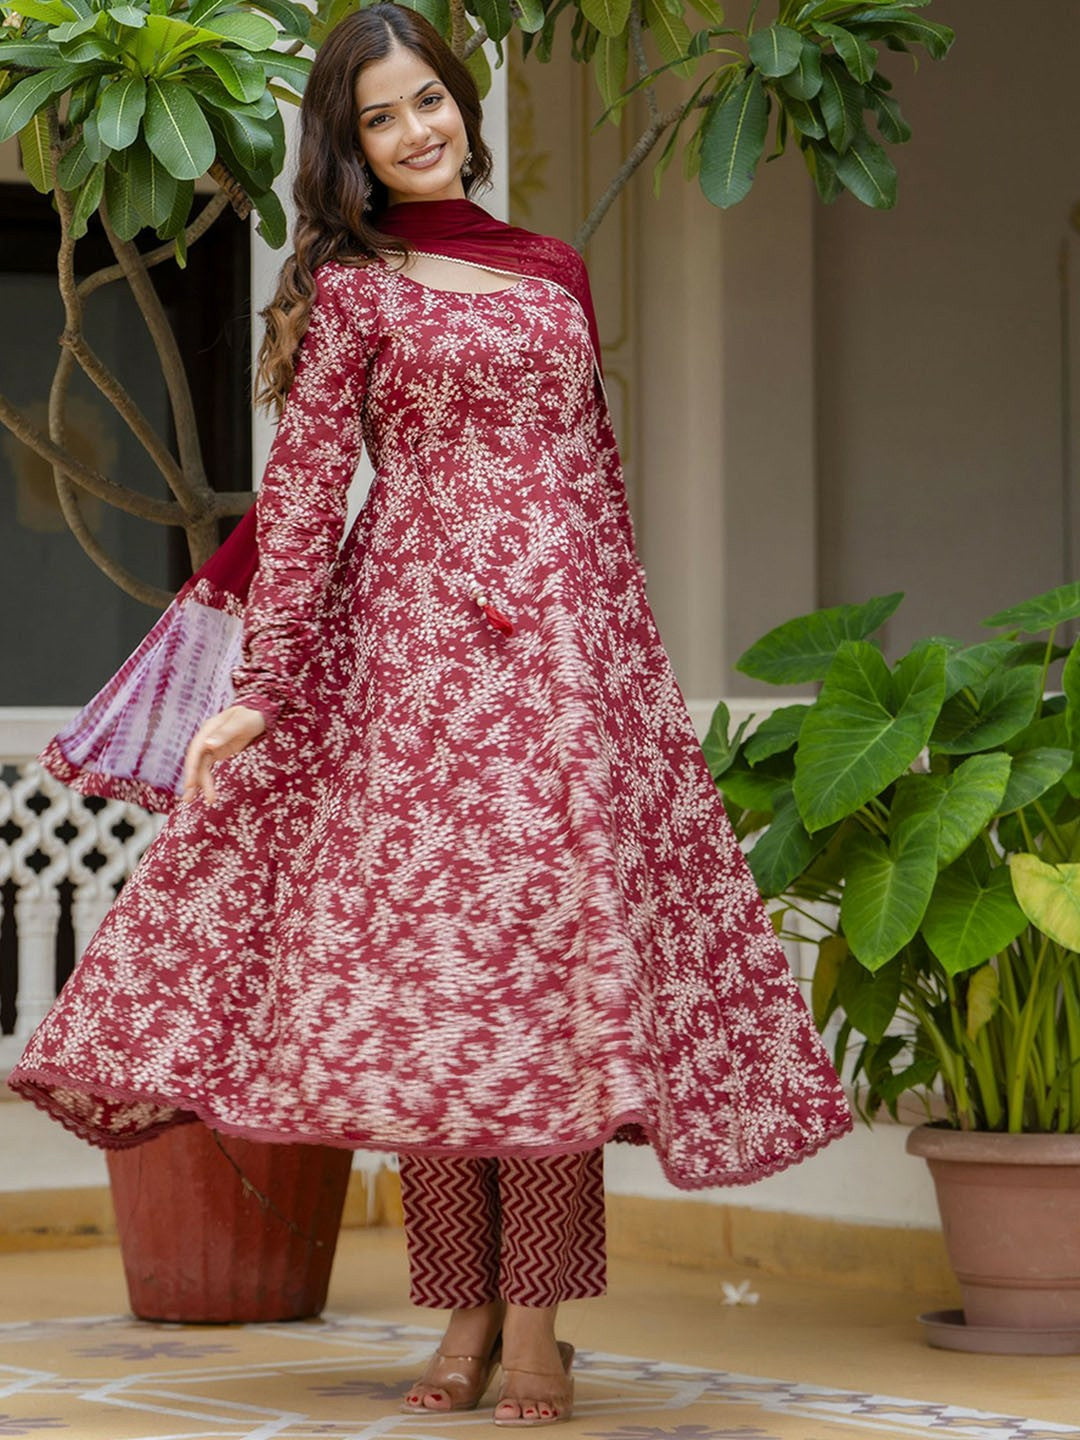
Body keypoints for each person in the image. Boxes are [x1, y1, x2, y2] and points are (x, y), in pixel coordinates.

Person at [10, 2, 853, 1427]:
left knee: (550, 1005)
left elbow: (594, 480)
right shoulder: (351, 288)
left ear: (465, 102)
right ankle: (460, 1312)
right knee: (440, 1000)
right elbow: (301, 500)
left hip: (560, 686)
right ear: (349, 146)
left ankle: (536, 1328)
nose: (418, 132)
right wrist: (263, 694)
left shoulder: (554, 274)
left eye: (431, 103)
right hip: (413, 684)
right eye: (382, 117)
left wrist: (624, 679)